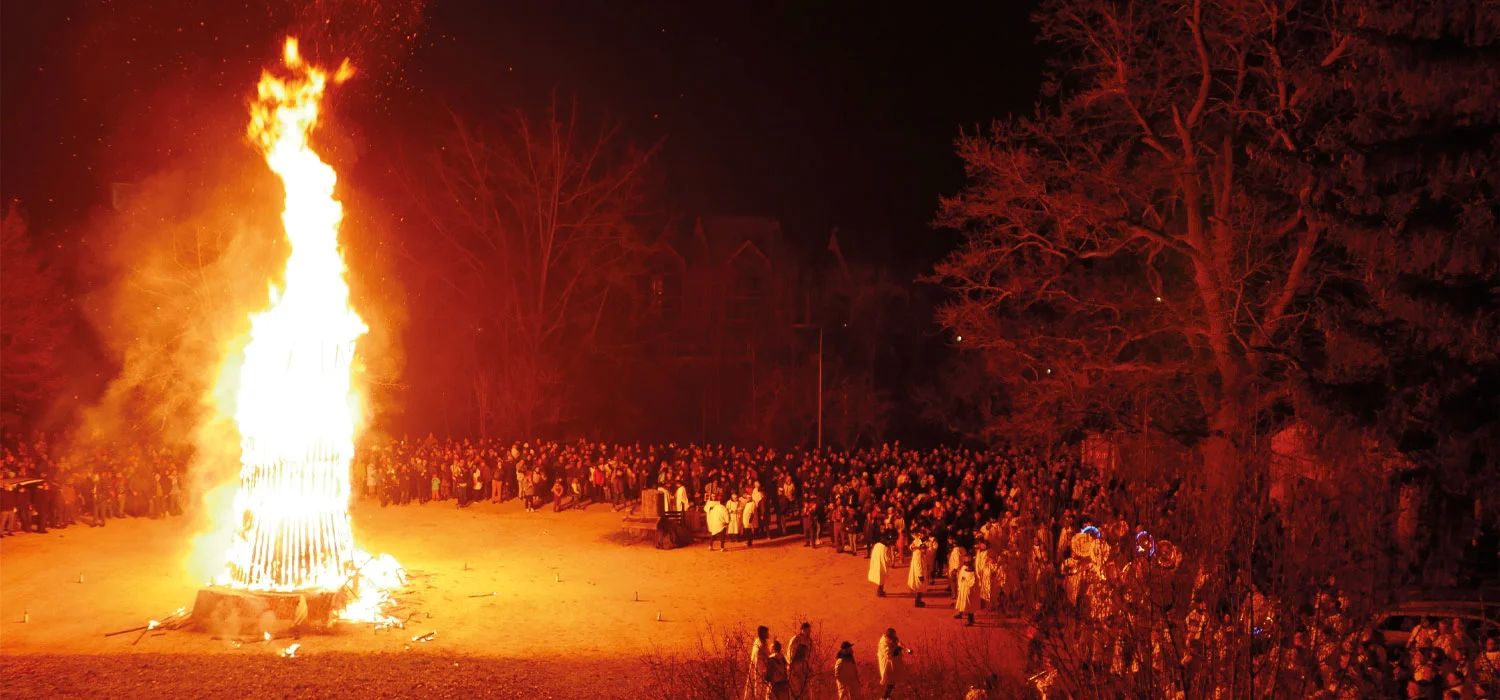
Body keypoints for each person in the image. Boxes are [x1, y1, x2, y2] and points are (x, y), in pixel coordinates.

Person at [877, 628, 909, 699]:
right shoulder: (884, 642)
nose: (895, 636)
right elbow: (889, 653)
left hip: (891, 665)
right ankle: (884, 698)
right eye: (893, 635)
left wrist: (902, 647)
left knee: (892, 683)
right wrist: (898, 649)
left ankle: (886, 697)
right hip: (887, 666)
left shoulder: (892, 641)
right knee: (889, 683)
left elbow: (895, 647)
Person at [788, 622, 813, 698]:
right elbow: (791, 653)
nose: (809, 633)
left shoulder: (809, 641)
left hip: (804, 668)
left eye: (810, 631)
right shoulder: (796, 639)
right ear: (802, 630)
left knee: (806, 690)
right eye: (807, 631)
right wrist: (791, 665)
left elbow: (811, 655)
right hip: (795, 667)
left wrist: (809, 666)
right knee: (796, 690)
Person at [747, 625, 770, 700]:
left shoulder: (757, 641)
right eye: (767, 632)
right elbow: (767, 657)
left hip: (757, 669)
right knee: (760, 690)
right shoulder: (761, 645)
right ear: (763, 634)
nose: (768, 634)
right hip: (760, 671)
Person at [908, 534, 929, 607]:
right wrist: (920, 575)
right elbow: (918, 565)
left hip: (921, 571)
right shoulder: (918, 553)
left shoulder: (922, 550)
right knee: (919, 587)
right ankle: (917, 602)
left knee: (920, 587)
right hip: (919, 573)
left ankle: (919, 601)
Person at [954, 558, 977, 626]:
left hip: (969, 592)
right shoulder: (964, 570)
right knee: (963, 603)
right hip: (963, 590)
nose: (967, 567)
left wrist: (964, 581)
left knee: (969, 606)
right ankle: (961, 613)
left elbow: (972, 583)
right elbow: (961, 578)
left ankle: (970, 620)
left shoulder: (973, 574)